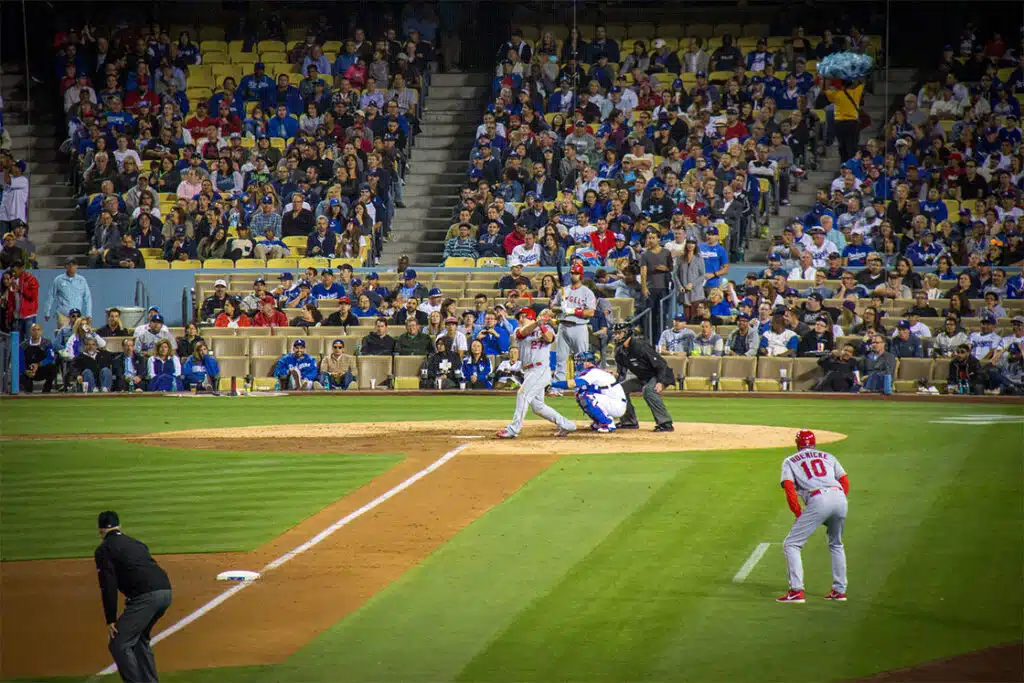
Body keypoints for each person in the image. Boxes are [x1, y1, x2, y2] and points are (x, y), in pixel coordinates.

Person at [94, 510, 172, 683]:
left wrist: (110, 619)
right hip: (166, 591)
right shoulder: (136, 543)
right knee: (139, 640)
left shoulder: (104, 550)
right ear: (119, 526)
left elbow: (108, 585)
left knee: (118, 643)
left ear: (100, 532)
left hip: (146, 597)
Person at [776, 430, 850, 603]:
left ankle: (796, 591)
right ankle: (839, 591)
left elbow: (788, 487)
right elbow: (845, 481)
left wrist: (798, 513)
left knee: (791, 544)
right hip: (839, 497)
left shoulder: (789, 461)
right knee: (836, 544)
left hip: (818, 499)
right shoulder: (828, 456)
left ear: (798, 444)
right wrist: (837, 502)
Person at [496, 308, 577, 438]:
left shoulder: (547, 329)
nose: (519, 320)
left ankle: (513, 429)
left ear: (530, 317)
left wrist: (542, 325)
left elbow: (549, 338)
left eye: (522, 316)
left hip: (540, 370)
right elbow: (522, 333)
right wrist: (537, 323)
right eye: (519, 317)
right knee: (538, 407)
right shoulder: (519, 330)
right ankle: (567, 425)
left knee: (522, 395)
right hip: (528, 371)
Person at [612, 321, 676, 431]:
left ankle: (665, 423)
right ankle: (629, 421)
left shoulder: (639, 346)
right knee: (619, 390)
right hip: (644, 377)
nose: (616, 336)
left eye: (619, 333)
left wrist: (660, 382)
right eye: (615, 333)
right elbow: (621, 372)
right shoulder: (620, 351)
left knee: (648, 390)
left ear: (627, 333)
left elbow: (661, 365)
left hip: (661, 375)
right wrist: (614, 382)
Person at [550, 350, 627, 433]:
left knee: (585, 397)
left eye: (580, 361)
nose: (577, 363)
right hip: (613, 402)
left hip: (617, 405)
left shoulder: (593, 372)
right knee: (581, 394)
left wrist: (552, 384)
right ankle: (599, 421)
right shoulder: (593, 371)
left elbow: (573, 384)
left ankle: (607, 423)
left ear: (588, 363)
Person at [551, 262, 596, 386]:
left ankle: (581, 386)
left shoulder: (587, 292)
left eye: (576, 273)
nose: (573, 275)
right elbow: (552, 307)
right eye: (572, 273)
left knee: (582, 360)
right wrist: (561, 308)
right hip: (563, 326)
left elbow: (591, 312)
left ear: (581, 275)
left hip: (579, 327)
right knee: (560, 360)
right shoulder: (563, 291)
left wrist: (573, 310)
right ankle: (557, 387)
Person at [44, 258, 92, 325]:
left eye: (74, 265)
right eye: (70, 265)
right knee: (63, 334)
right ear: (65, 266)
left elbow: (87, 297)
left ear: (77, 266)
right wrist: (47, 312)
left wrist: (88, 314)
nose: (72, 267)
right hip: (63, 315)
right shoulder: (58, 280)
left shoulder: (82, 280)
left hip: (77, 316)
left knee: (78, 334)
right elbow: (51, 296)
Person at [19, 323, 57, 393]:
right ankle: (27, 391)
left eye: (38, 330)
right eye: (34, 330)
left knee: (53, 368)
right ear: (30, 332)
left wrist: (38, 364)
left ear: (41, 331)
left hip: (41, 369)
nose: (36, 332)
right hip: (28, 370)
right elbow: (20, 360)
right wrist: (25, 371)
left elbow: (50, 358)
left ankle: (46, 391)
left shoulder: (47, 343)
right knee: (21, 374)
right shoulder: (23, 345)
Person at [7, 259, 39, 337]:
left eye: (16, 269)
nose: (14, 272)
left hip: (29, 316)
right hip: (17, 317)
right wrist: (9, 316)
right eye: (13, 269)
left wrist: (20, 289)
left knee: (29, 341)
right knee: (16, 344)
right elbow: (11, 301)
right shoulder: (12, 281)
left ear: (22, 269)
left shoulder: (31, 279)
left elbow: (33, 296)